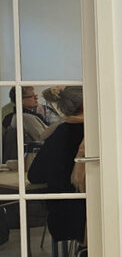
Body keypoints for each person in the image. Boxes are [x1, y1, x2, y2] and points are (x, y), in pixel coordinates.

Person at [28, 86, 86, 243]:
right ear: (85, 105)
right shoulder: (96, 133)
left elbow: (35, 175)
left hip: (63, 216)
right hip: (89, 216)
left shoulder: (59, 133)